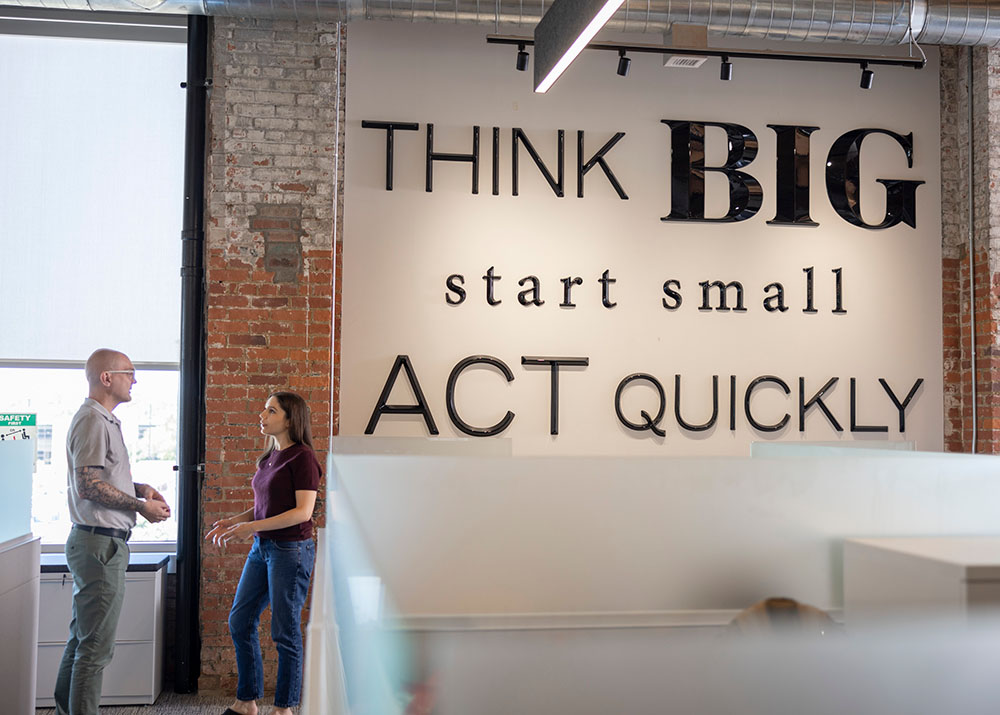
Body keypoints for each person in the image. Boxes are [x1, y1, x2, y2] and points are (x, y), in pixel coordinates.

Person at [55, 349, 172, 715]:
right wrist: (141, 508)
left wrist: (138, 488)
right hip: (100, 545)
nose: (134, 380)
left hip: (99, 544)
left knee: (82, 643)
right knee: (94, 649)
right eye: (129, 373)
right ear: (106, 378)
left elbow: (101, 477)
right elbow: (89, 485)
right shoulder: (92, 419)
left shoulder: (103, 420)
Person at [206, 391, 321, 715]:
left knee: (284, 632)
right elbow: (263, 506)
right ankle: (247, 702)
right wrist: (237, 520)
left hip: (291, 550)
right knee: (240, 620)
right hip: (264, 547)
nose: (262, 415)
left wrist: (252, 528)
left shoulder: (303, 458)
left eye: (271, 411)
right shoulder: (270, 457)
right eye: (264, 409)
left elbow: (302, 512)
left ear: (289, 419)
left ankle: (284, 708)